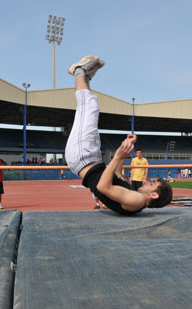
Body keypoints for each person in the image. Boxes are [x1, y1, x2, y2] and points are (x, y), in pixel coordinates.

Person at [64, 55, 172, 215]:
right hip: (91, 159)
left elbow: (102, 187)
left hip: (83, 158)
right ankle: (85, 77)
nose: (148, 181)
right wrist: (123, 153)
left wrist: (116, 158)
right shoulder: (134, 197)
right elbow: (116, 175)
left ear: (154, 194)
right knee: (90, 110)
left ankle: (78, 71)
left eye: (152, 184)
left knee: (89, 107)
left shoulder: (138, 200)